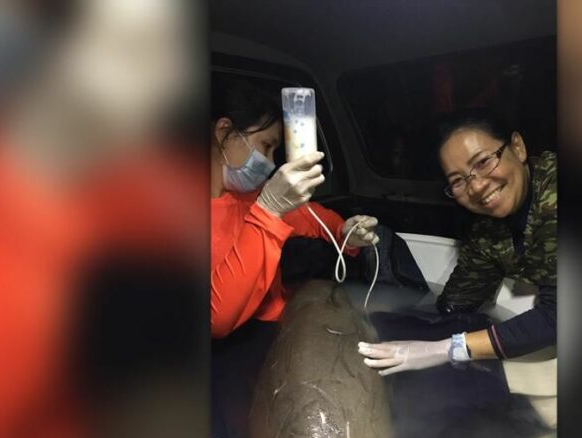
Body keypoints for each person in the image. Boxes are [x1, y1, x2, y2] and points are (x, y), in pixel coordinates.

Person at [358, 110, 556, 375]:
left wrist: (447, 349)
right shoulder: (488, 231)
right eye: (458, 181)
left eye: (483, 162)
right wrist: (390, 321)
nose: (476, 188)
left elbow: (559, 316)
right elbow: (456, 305)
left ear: (517, 147)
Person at [210, 80, 380, 338]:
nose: (269, 162)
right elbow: (216, 320)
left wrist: (343, 232)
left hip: (278, 324)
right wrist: (267, 211)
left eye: (275, 151)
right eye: (266, 146)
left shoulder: (247, 197)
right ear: (224, 132)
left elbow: (308, 215)